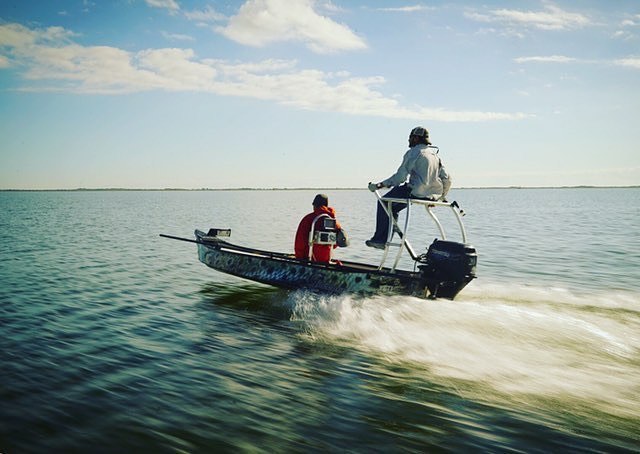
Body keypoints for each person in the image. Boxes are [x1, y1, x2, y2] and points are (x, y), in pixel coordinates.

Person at [366, 126, 451, 249]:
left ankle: (380, 239)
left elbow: (400, 178)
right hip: (431, 196)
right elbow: (447, 179)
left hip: (414, 192)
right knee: (391, 207)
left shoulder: (414, 152)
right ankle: (388, 234)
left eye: (410, 138)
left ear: (416, 138)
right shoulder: (435, 156)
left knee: (383, 202)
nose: (408, 141)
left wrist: (379, 185)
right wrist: (440, 197)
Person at [295, 194, 342, 263]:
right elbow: (337, 241)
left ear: (314, 205)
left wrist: (299, 258)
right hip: (326, 259)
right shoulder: (333, 221)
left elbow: (300, 241)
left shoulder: (308, 219)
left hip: (309, 258)